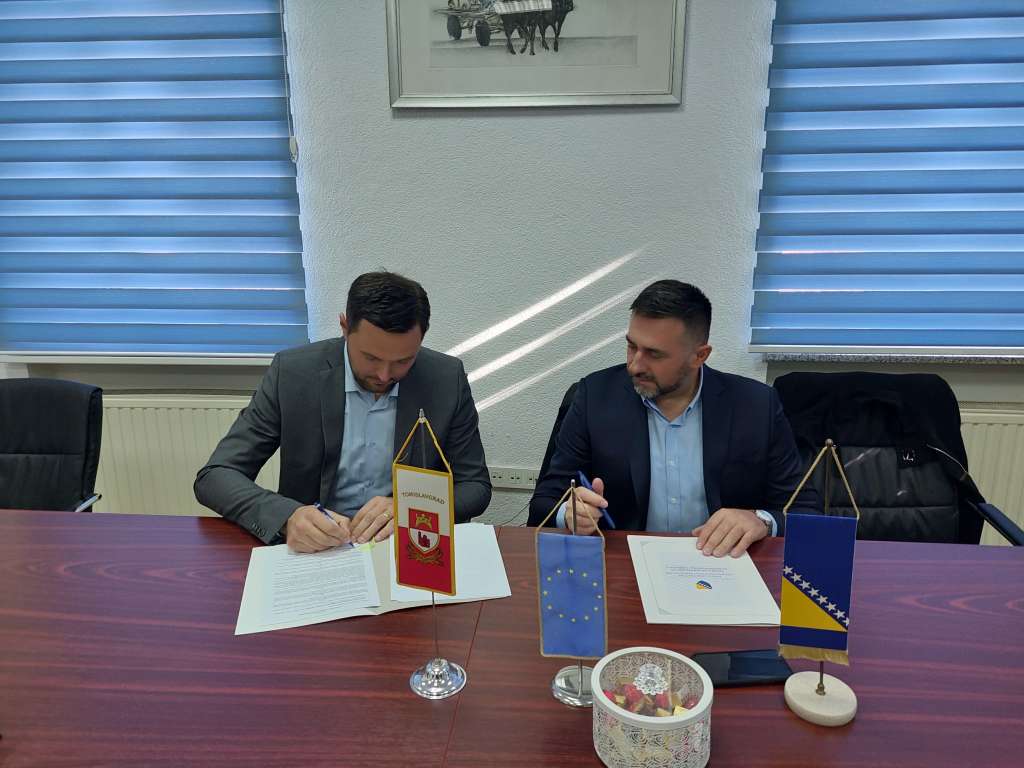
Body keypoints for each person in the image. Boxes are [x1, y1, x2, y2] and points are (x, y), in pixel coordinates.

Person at [195, 271, 491, 552]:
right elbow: (216, 476)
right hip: (318, 548)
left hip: (409, 544)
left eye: (403, 361)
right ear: (344, 327)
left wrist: (412, 507)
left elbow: (474, 485)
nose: (385, 375)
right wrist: (288, 516)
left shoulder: (445, 378)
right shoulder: (294, 373)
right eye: (371, 358)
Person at [528, 280, 818, 557]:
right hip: (624, 564)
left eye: (654, 354)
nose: (635, 365)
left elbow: (806, 510)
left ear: (699, 356)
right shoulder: (595, 397)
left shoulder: (755, 405)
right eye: (632, 346)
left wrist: (761, 520)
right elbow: (545, 502)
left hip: (723, 563)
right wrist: (570, 513)